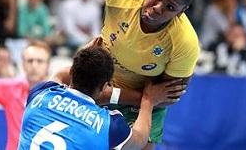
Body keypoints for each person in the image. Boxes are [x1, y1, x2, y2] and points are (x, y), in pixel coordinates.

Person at [0, 0, 201, 149]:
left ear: (182, 12)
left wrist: (140, 101)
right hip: (98, 86)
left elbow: (168, 96)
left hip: (140, 101)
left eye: (170, 7)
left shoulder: (185, 42)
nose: (157, 8)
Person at [18, 45, 184, 150]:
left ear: (72, 72)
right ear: (106, 85)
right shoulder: (109, 125)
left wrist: (87, 50)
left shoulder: (41, 93)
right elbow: (139, 140)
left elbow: (61, 74)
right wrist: (148, 99)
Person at [0, 41, 51, 150]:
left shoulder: (57, 95)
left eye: (40, 61)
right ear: (22, 64)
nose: (34, 65)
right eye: (30, 61)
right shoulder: (12, 88)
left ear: (48, 65)